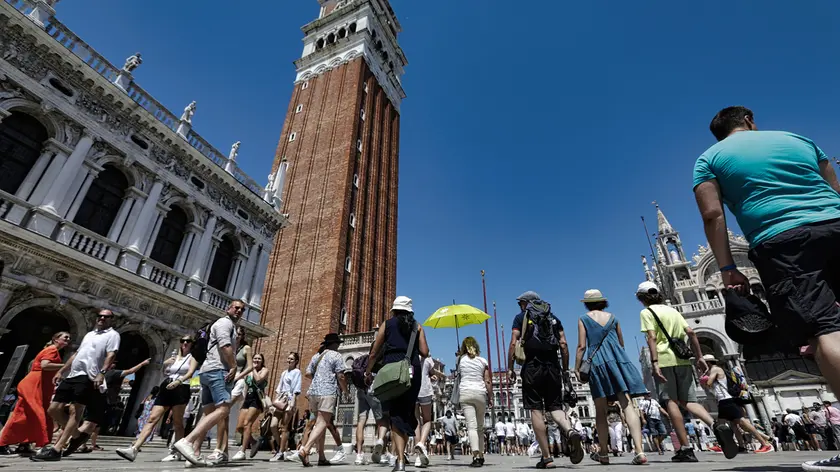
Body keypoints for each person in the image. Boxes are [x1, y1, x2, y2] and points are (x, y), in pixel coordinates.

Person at [692, 106, 840, 471]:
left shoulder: (708, 160)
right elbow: (834, 187)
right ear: (751, 121)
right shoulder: (797, 140)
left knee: (826, 333)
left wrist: (727, 268)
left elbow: (713, 215)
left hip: (784, 243)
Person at [636, 281, 736, 462]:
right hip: (683, 360)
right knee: (688, 400)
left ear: (642, 298)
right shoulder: (673, 311)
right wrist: (698, 357)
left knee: (671, 401)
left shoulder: (646, 312)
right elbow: (691, 333)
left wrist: (655, 362)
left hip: (665, 360)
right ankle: (715, 425)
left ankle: (685, 448)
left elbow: (651, 337)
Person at [31, 310, 120, 462]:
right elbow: (76, 354)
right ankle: (77, 436)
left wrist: (102, 373)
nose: (102, 318)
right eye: (100, 315)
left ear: (112, 319)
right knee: (53, 409)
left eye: (106, 316)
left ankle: (57, 449)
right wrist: (62, 370)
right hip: (72, 375)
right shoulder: (89, 334)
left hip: (88, 376)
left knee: (75, 411)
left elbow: (111, 355)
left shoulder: (113, 335)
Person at [508, 291, 584, 468]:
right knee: (555, 407)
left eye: (521, 303)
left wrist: (511, 368)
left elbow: (513, 343)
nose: (520, 306)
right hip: (553, 367)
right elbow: (563, 344)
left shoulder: (520, 318)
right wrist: (565, 369)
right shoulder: (554, 318)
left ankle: (547, 457)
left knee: (536, 410)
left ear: (526, 303)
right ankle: (570, 430)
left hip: (532, 367)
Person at [573, 289, 648, 465]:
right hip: (617, 360)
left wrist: (577, 368)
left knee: (600, 409)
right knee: (627, 404)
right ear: (602, 302)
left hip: (598, 363)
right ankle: (639, 451)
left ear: (586, 303)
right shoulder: (613, 318)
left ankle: (604, 453)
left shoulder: (583, 319)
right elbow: (621, 342)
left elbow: (581, 346)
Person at [172, 300, 245, 466]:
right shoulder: (224, 323)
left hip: (207, 372)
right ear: (228, 308)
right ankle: (188, 441)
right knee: (224, 409)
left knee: (207, 414)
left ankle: (194, 455)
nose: (239, 311)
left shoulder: (227, 325)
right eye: (236, 308)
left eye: (242, 310)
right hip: (217, 370)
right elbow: (225, 345)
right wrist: (233, 366)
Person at [366, 296, 429, 472]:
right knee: (406, 411)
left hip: (392, 369)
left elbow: (373, 353)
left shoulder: (387, 324)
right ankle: (402, 457)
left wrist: (368, 371)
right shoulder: (417, 326)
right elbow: (425, 352)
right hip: (412, 370)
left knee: (395, 414)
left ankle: (400, 460)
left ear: (394, 309)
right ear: (410, 311)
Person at [117, 335, 198, 461]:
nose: (185, 343)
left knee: (177, 423)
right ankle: (134, 449)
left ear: (192, 344)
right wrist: (166, 365)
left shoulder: (192, 357)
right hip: (166, 386)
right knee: (152, 418)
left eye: (188, 341)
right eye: (183, 340)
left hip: (181, 388)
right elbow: (165, 372)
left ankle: (176, 452)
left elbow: (191, 373)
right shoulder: (173, 357)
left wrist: (179, 381)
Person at [0, 332, 70, 451]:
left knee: (27, 414)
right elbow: (45, 365)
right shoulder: (52, 350)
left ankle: (24, 443)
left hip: (39, 385)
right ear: (56, 339)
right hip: (35, 384)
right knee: (37, 413)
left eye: (69, 338)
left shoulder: (52, 350)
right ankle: (4, 442)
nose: (68, 339)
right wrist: (66, 365)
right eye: (65, 337)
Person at [292, 333, 348, 467]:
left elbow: (307, 373)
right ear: (334, 344)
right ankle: (305, 449)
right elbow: (341, 376)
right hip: (327, 392)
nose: (339, 345)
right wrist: (346, 391)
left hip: (313, 393)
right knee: (323, 422)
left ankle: (321, 457)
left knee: (319, 424)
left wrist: (319, 379)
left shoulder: (317, 356)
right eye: (338, 343)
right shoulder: (336, 355)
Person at [455, 337, 491, 467]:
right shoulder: (483, 361)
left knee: (471, 426)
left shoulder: (461, 360)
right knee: (480, 427)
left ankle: (476, 455)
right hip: (480, 394)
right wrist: (490, 397)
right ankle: (481, 455)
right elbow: (487, 381)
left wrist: (460, 354)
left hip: (465, 393)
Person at [232, 353, 268, 460]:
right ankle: (254, 442)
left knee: (247, 424)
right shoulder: (249, 371)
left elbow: (258, 380)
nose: (257, 360)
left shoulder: (264, 370)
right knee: (239, 427)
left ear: (262, 361)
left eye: (259, 359)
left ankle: (242, 451)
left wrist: (253, 369)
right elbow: (245, 386)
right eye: (255, 358)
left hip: (257, 400)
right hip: (247, 399)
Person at [269, 352, 301, 462]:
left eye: (292, 359)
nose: (289, 360)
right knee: (273, 425)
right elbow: (279, 387)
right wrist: (275, 402)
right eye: (288, 358)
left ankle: (280, 452)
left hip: (290, 400)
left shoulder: (297, 372)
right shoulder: (284, 373)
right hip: (281, 399)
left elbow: (297, 387)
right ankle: (282, 447)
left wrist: (293, 402)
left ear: (296, 361)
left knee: (284, 427)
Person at [414, 351, 443, 468]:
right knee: (427, 420)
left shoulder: (410, 356)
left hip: (412, 391)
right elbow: (432, 373)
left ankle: (417, 457)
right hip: (424, 391)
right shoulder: (427, 358)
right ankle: (421, 443)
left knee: (416, 420)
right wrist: (432, 375)